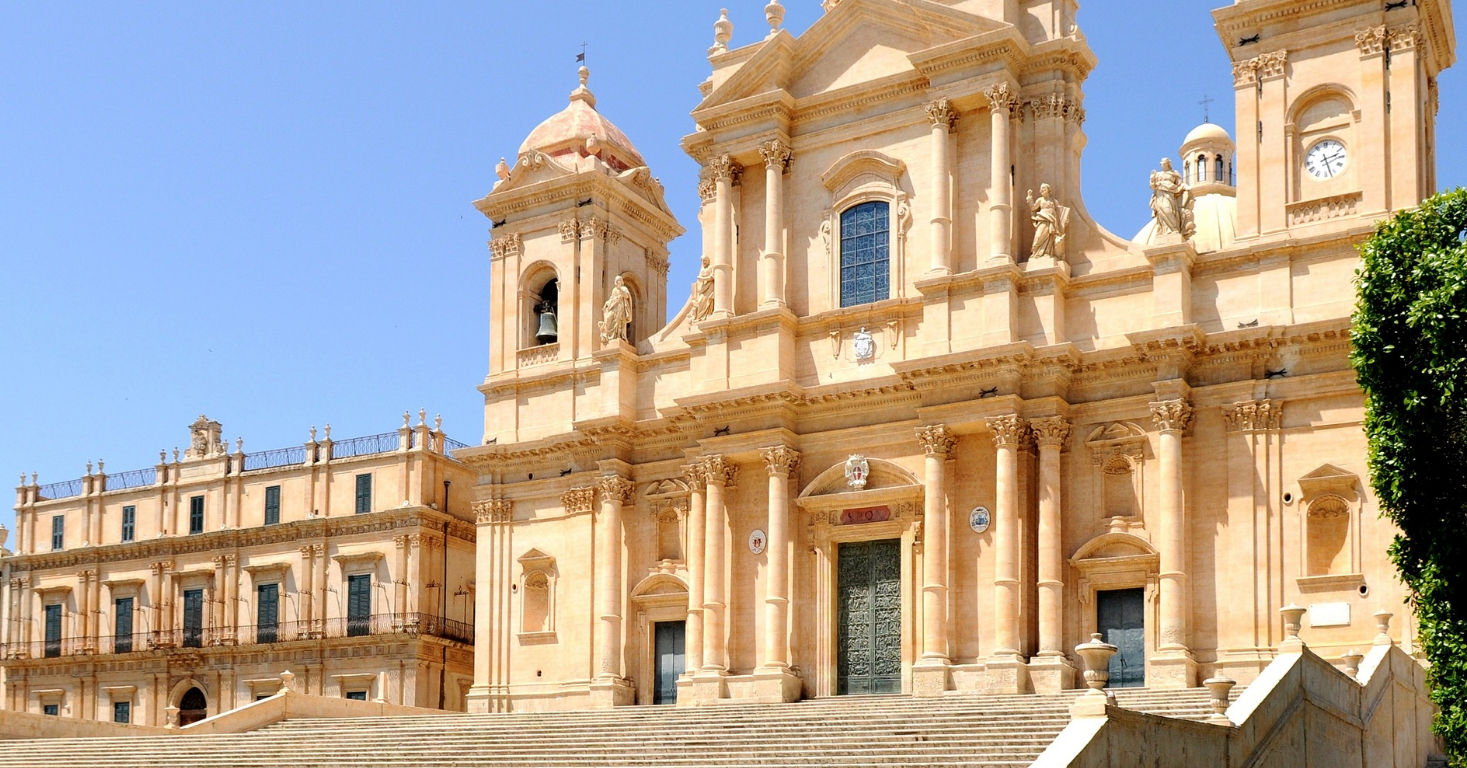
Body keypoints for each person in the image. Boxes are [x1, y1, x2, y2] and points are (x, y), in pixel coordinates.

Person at [1149, 158, 1195, 238]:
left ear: (1168, 164)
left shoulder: (1174, 173)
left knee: (1169, 211)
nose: (1163, 165)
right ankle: (1168, 230)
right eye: (1162, 163)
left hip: (1169, 195)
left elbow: (1179, 184)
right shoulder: (1158, 174)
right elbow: (1153, 186)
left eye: (1164, 163)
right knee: (1162, 211)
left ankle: (1173, 229)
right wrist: (1152, 179)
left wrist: (1184, 187)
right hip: (1160, 195)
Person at [1026, 183, 1070, 260]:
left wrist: (1065, 219)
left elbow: (1059, 212)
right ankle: (1035, 252)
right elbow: (1033, 208)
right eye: (1041, 188)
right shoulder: (1040, 200)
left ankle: (1046, 252)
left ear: (1048, 190)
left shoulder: (1054, 201)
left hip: (1052, 220)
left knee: (1050, 236)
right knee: (1039, 236)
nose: (1042, 190)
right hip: (1042, 218)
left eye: (1044, 188)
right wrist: (1030, 198)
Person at [600, 275, 634, 343]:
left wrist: (620, 289)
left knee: (618, 321)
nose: (619, 281)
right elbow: (611, 298)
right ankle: (608, 335)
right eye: (617, 280)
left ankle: (619, 335)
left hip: (620, 306)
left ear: (621, 282)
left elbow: (627, 296)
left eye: (620, 280)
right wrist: (607, 303)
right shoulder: (614, 290)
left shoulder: (624, 288)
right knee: (609, 318)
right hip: (613, 306)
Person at [690, 255, 715, 322]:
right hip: (703, 288)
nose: (703, 262)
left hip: (710, 286)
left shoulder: (711, 267)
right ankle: (700, 317)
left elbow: (712, 277)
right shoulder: (702, 270)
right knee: (700, 301)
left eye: (705, 260)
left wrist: (702, 278)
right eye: (702, 261)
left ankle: (706, 315)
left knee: (707, 300)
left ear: (708, 261)